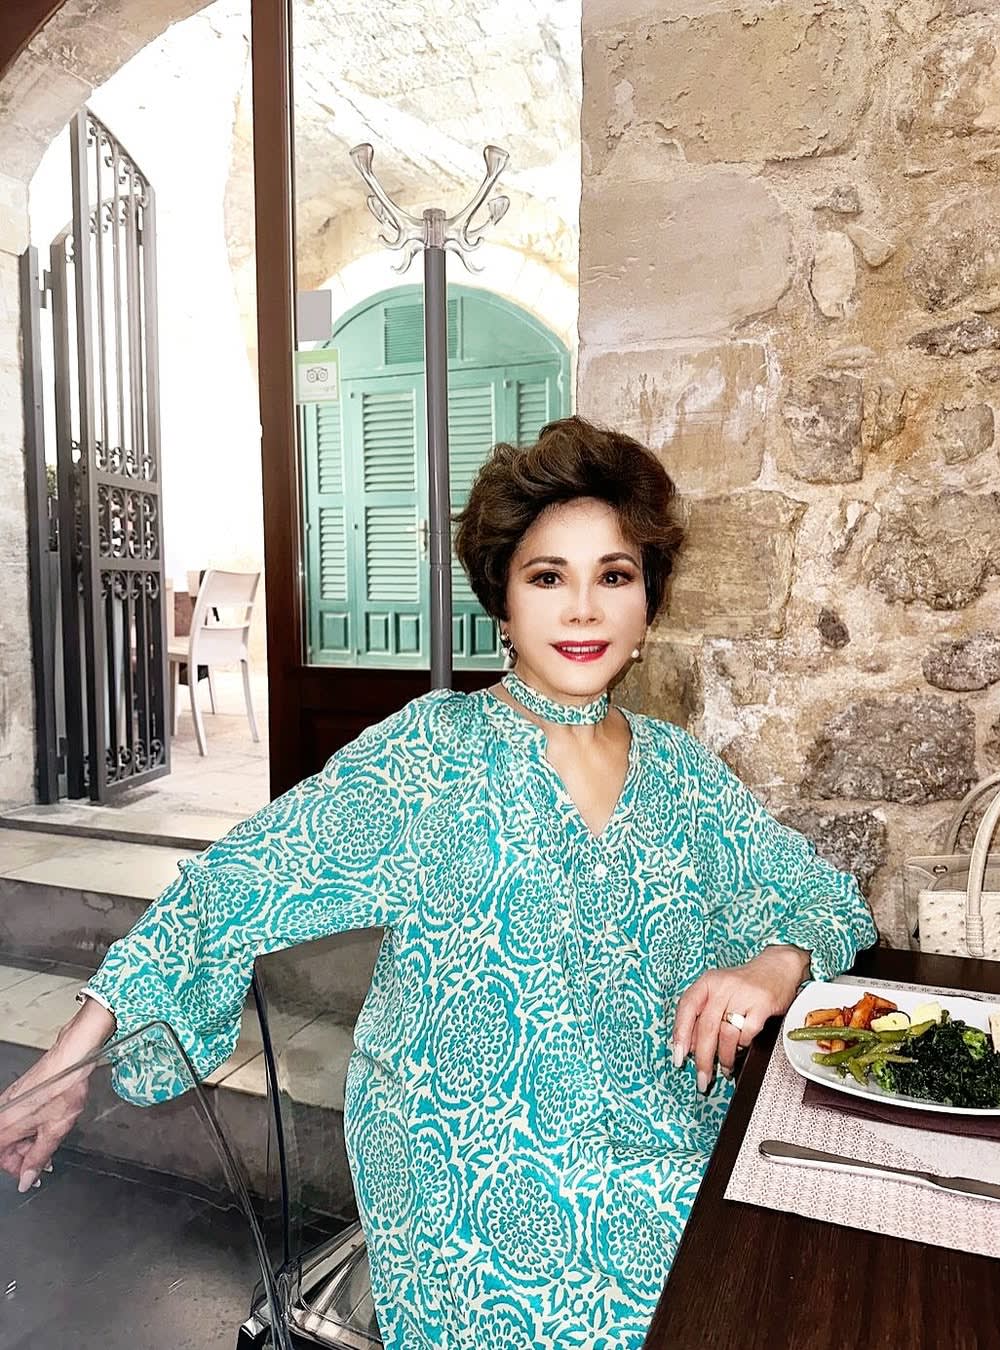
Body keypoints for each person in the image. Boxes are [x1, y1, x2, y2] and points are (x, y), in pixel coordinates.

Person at [0, 417, 876, 1349]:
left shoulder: (682, 773)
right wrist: (66, 1065)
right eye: (549, 578)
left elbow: (823, 898)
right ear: (504, 602)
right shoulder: (430, 755)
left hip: (665, 1141)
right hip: (466, 1169)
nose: (583, 610)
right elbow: (228, 888)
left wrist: (772, 967)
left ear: (647, 610)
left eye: (614, 577)